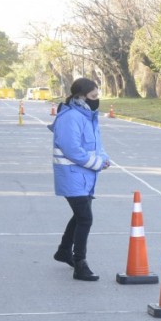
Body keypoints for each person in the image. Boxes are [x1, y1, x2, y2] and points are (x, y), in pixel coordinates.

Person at [50, 77, 110, 281]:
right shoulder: (71, 117)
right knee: (85, 218)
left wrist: (104, 159)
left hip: (85, 177)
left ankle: (64, 251)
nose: (96, 100)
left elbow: (97, 145)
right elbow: (72, 150)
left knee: (79, 216)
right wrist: (96, 163)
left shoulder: (89, 116)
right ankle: (80, 264)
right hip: (72, 176)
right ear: (80, 97)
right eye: (93, 96)